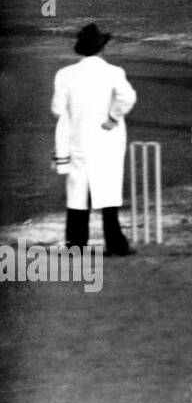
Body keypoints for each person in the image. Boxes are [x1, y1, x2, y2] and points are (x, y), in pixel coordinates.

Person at [51, 23, 138, 256]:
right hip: (107, 140)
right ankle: (116, 244)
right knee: (108, 189)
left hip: (77, 139)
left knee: (77, 192)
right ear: (102, 49)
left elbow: (58, 109)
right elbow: (128, 97)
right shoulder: (113, 72)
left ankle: (76, 245)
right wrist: (112, 117)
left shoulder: (64, 75)